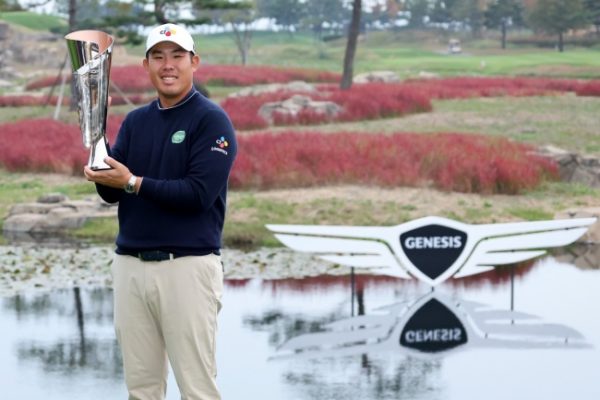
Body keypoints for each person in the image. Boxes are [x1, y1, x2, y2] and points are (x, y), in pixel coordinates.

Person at [84, 23, 237, 400]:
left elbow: (198, 194)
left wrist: (133, 182)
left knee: (197, 390)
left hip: (186, 267)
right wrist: (97, 156)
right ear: (146, 64)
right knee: (142, 389)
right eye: (158, 57)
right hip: (131, 268)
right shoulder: (137, 121)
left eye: (177, 56)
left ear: (194, 62)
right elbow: (111, 194)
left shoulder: (211, 120)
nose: (168, 65)